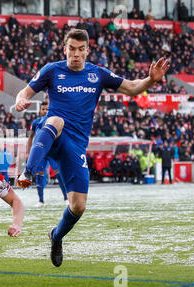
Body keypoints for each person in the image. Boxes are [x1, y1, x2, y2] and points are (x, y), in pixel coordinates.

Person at [14, 29, 170, 267]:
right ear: (64, 49)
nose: (75, 54)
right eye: (71, 49)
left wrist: (150, 79)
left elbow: (131, 88)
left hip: (76, 145)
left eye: (80, 49)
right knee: (55, 120)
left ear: (87, 50)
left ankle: (56, 236)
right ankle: (28, 172)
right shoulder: (52, 70)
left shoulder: (97, 74)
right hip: (54, 134)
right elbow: (25, 91)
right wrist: (20, 100)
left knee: (78, 206)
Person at [27, 101, 68, 207]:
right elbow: (31, 137)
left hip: (53, 152)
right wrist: (28, 152)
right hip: (41, 153)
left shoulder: (55, 121)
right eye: (43, 109)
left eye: (47, 109)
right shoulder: (36, 122)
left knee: (59, 174)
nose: (45, 111)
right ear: (40, 110)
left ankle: (66, 198)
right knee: (39, 175)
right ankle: (41, 200)